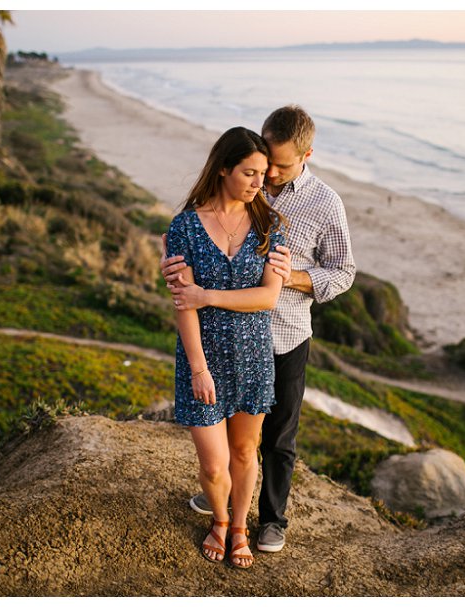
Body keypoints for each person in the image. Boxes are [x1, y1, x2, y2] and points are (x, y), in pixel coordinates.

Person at [163, 105, 356, 553]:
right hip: (221, 337)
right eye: (260, 166)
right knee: (224, 447)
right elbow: (201, 244)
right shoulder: (240, 193)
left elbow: (343, 273)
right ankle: (223, 501)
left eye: (277, 167)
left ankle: (270, 520)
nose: (266, 178)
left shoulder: (323, 204)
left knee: (276, 438)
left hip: (283, 333)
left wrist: (292, 276)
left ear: (307, 155)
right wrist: (178, 270)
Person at [166, 126, 286, 568]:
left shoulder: (268, 223)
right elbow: (183, 305)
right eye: (249, 173)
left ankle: (238, 526)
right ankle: (218, 518)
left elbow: (268, 297)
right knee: (214, 465)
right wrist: (198, 368)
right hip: (203, 358)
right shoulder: (184, 227)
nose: (260, 183)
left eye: (263, 174)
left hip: (254, 356)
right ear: (223, 169)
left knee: (243, 451)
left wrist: (208, 295)